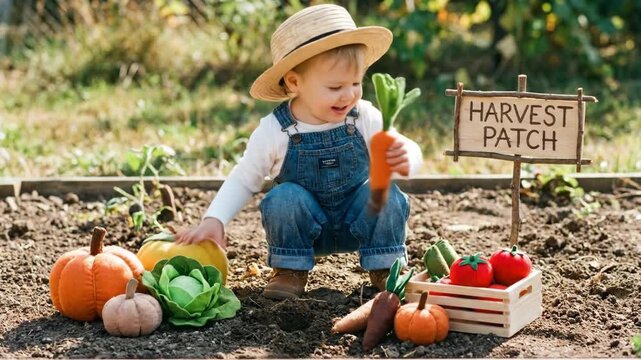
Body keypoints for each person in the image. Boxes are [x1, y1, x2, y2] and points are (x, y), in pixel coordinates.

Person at [175, 4, 423, 300]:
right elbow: (245, 178)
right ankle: (290, 270)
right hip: (305, 229)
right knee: (283, 198)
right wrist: (214, 219)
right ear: (295, 82)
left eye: (356, 83)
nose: (349, 95)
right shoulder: (275, 131)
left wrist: (408, 156)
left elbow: (397, 142)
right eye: (335, 86)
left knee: (385, 193)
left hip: (357, 221)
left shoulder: (363, 117)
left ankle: (385, 266)